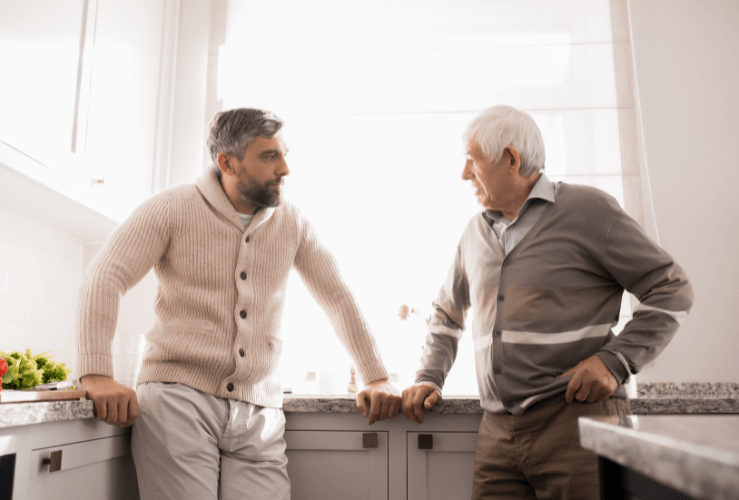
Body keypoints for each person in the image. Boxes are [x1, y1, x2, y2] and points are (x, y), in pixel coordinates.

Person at [77, 108, 402, 499]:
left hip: (259, 412)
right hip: (178, 402)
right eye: (270, 156)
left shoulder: (293, 223)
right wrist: (96, 374)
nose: (285, 168)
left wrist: (376, 375)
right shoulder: (171, 207)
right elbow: (104, 276)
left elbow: (338, 297)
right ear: (227, 162)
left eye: (284, 154)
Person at [401, 105, 693, 499]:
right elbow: (447, 315)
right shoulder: (474, 232)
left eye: (473, 160)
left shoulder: (589, 211)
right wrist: (428, 376)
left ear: (511, 159)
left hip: (577, 423)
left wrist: (614, 360)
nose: (464, 173)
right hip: (498, 434)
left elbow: (672, 288)